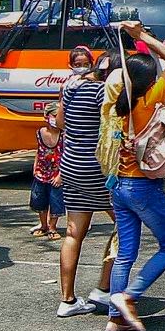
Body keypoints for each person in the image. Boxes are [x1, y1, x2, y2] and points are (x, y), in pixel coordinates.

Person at [101, 23, 165, 331]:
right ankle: (128, 296)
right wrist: (141, 37)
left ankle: (116, 318)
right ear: (147, 80)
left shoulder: (120, 103)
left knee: (125, 252)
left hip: (120, 185)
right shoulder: (150, 100)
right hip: (142, 186)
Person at [55, 45, 115, 316]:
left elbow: (60, 122)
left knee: (72, 232)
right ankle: (103, 289)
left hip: (70, 163)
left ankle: (67, 300)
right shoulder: (103, 92)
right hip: (98, 166)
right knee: (126, 223)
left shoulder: (69, 88)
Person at [29, 102, 64, 240]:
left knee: (56, 200)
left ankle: (52, 227)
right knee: (39, 199)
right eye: (54, 115)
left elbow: (67, 155)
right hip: (41, 173)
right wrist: (35, 167)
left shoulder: (64, 135)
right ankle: (43, 225)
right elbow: (39, 151)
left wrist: (61, 175)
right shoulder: (40, 133)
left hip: (57, 174)